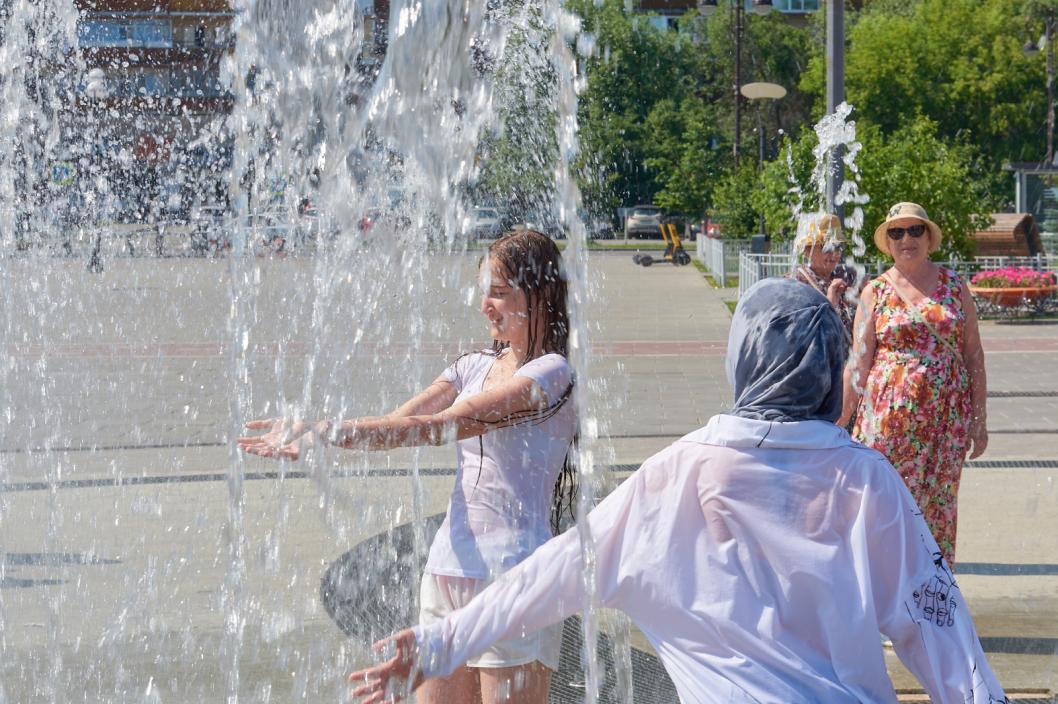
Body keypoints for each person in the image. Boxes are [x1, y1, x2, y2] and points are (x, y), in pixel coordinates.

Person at [350, 277, 1007, 704]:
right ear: (834, 374)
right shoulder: (868, 481)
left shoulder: (674, 477)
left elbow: (547, 576)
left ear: (739, 366)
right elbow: (944, 638)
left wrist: (440, 642)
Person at [239, 230, 577, 704]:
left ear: (539, 294)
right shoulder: (471, 366)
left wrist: (326, 430)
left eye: (499, 293)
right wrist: (318, 434)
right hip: (447, 570)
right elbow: (400, 424)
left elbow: (444, 425)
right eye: (485, 292)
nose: (486, 306)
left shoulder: (552, 373)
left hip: (516, 577)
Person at [837, 202, 987, 566]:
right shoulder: (875, 291)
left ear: (929, 238)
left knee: (938, 507)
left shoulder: (954, 284)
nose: (907, 239)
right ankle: (883, 594)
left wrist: (980, 422)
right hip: (887, 423)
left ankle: (932, 599)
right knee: (885, 504)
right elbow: (858, 362)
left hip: (945, 423)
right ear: (888, 243)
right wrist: (839, 422)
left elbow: (973, 356)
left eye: (915, 230)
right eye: (897, 232)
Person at [790, 212, 855, 344]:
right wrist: (829, 305)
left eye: (838, 247)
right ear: (807, 250)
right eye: (827, 247)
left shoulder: (847, 276)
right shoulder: (795, 283)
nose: (834, 254)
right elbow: (796, 334)